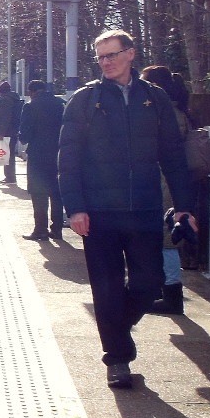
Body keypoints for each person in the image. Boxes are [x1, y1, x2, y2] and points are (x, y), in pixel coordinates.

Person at [59, 29, 197, 389]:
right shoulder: (85, 100)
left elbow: (173, 155)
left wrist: (183, 206)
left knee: (149, 282)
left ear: (131, 54)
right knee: (105, 288)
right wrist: (75, 208)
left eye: (112, 55)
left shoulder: (155, 98)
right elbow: (68, 159)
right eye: (101, 57)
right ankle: (117, 359)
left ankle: (118, 327)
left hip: (145, 207)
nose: (106, 62)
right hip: (98, 211)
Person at [141, 66, 193, 315]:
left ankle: (172, 296)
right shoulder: (179, 109)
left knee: (166, 240)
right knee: (163, 240)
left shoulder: (167, 112)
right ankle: (166, 290)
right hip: (166, 181)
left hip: (164, 183)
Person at [19, 80, 65, 241]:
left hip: (38, 155)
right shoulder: (60, 104)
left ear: (32, 91)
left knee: (38, 193)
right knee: (56, 192)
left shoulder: (31, 106)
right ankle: (57, 229)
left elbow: (24, 135)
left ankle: (40, 230)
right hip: (59, 153)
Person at [0, 81, 21, 184]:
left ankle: (10, 177)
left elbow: (5, 118)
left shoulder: (6, 100)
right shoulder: (15, 98)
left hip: (7, 132)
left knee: (7, 155)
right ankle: (10, 176)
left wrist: (1, 133)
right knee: (9, 154)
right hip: (13, 130)